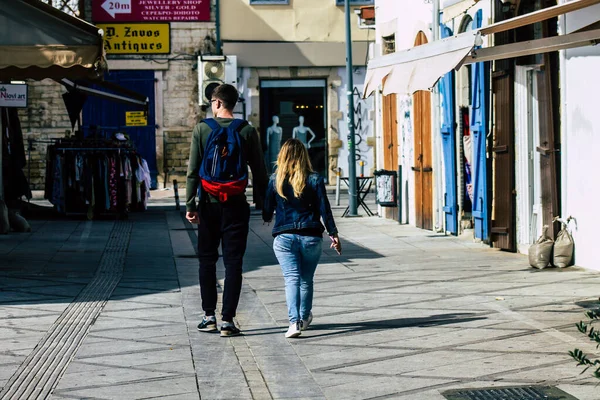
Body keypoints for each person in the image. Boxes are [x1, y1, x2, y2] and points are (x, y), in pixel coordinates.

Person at [185, 84, 268, 337]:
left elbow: (192, 171)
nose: (211, 105)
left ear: (218, 103)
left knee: (207, 261)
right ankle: (228, 321)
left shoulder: (201, 129)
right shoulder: (246, 130)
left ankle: (208, 315)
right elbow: (259, 170)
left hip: (209, 205)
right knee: (234, 263)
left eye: (212, 101)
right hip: (236, 205)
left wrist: (190, 205)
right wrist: (262, 203)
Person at [262, 139, 342, 338]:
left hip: (284, 237)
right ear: (303, 156)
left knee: (291, 279)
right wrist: (333, 234)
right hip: (311, 236)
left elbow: (266, 210)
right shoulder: (315, 179)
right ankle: (304, 319)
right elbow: (325, 209)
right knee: (306, 279)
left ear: (282, 156)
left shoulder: (275, 180)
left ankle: (293, 322)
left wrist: (270, 214)